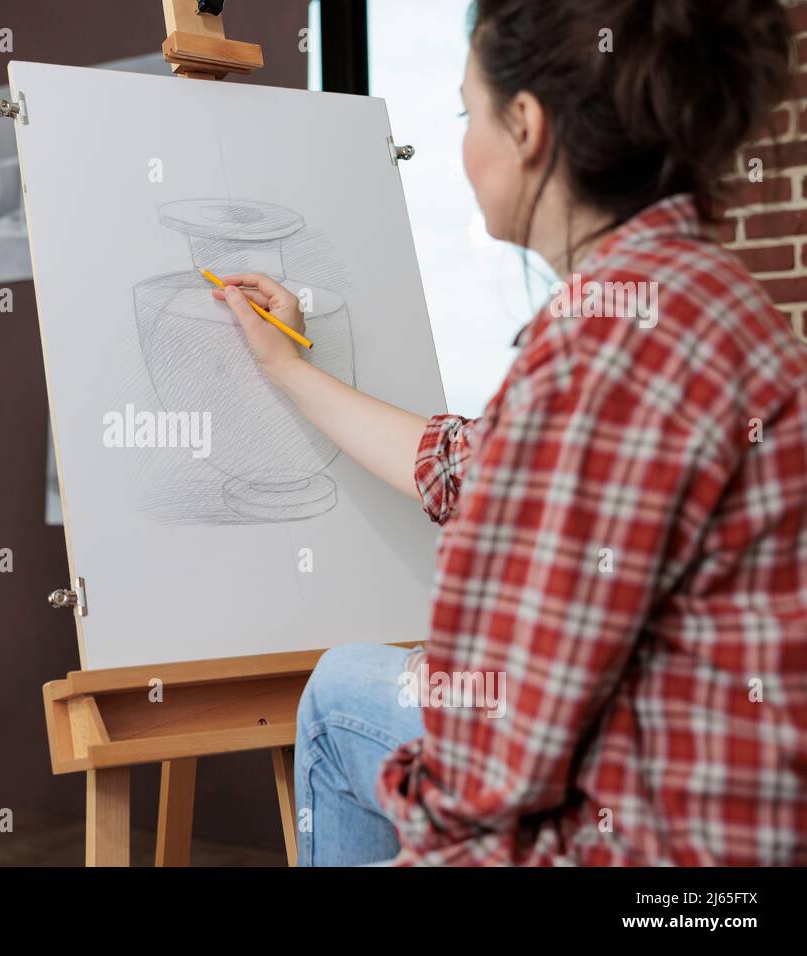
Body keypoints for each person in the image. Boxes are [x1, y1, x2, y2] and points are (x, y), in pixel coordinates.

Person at [212, 0, 804, 865]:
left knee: (358, 716)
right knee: (346, 684)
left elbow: (489, 760)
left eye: (465, 113)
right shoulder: (717, 302)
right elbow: (464, 466)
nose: (461, 144)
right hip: (728, 817)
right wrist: (287, 367)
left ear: (525, 127)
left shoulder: (594, 351)